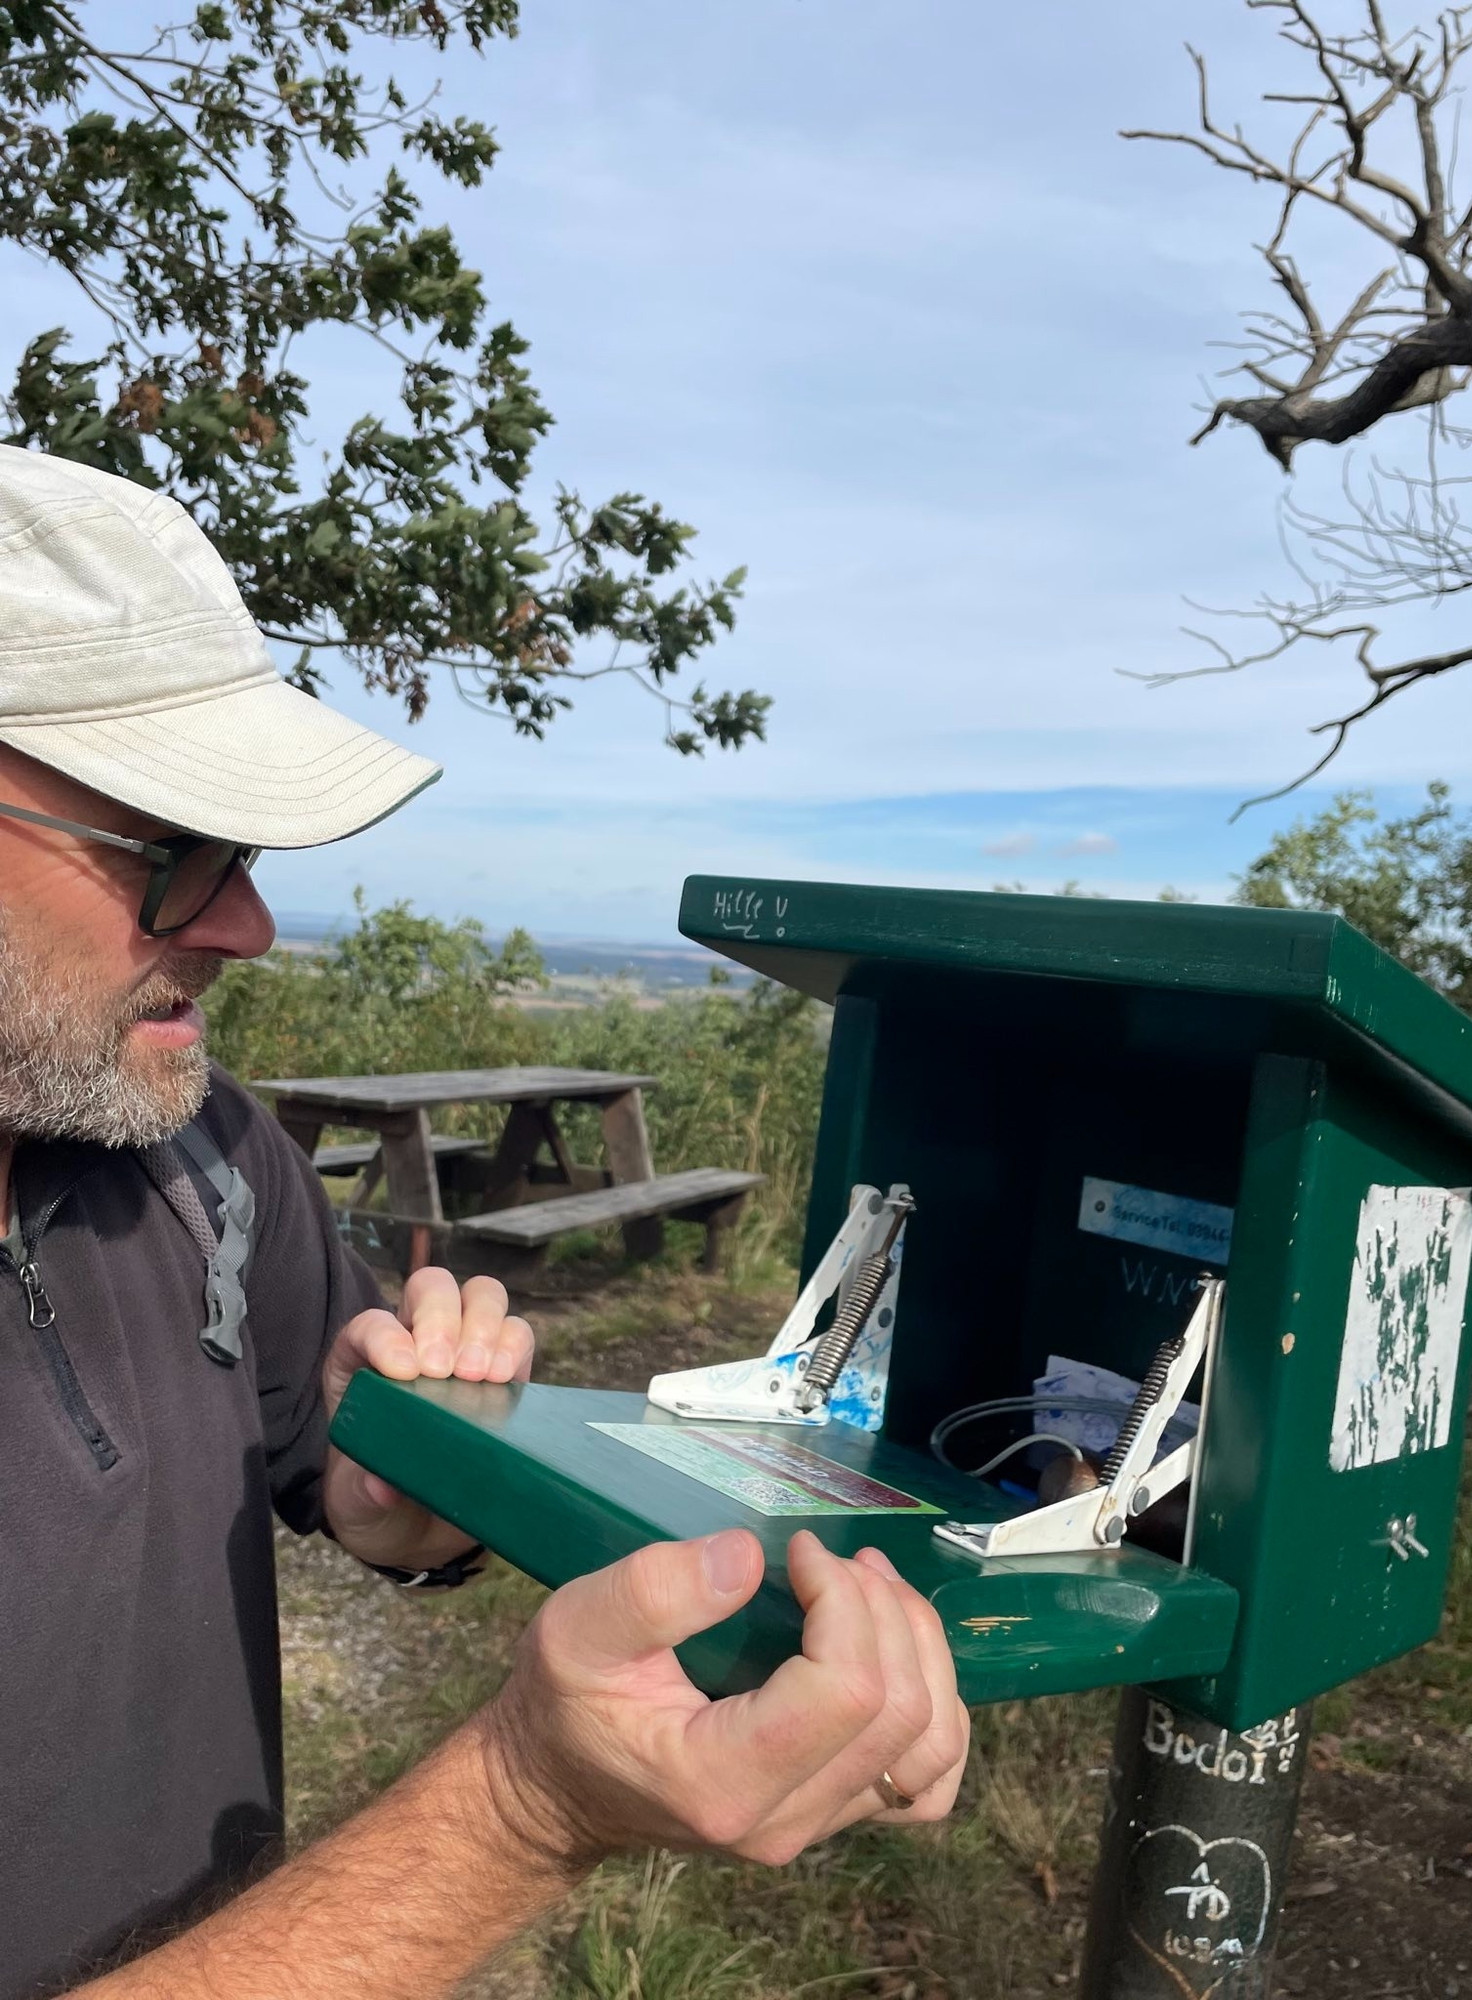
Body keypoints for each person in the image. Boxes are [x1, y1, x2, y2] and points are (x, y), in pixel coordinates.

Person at [0, 446, 970, 2000]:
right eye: (168, 848)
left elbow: (347, 1471)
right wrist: (522, 1808)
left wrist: (411, 1499)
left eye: (247, 854)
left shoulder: (198, 1153)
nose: (246, 920)